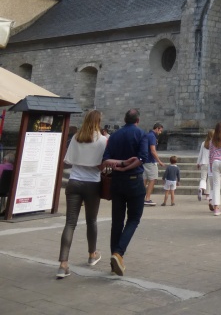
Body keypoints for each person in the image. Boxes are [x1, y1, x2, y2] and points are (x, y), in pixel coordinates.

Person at [56, 110, 107, 279]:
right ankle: (92, 254)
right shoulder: (102, 140)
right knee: (91, 220)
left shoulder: (76, 138)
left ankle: (63, 264)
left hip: (74, 181)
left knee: (70, 223)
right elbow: (102, 165)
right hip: (92, 183)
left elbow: (67, 161)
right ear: (99, 122)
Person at [101, 108, 149, 277]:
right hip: (134, 182)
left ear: (125, 119)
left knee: (117, 222)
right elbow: (141, 158)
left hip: (117, 183)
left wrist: (120, 166)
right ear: (138, 120)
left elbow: (105, 160)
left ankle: (114, 259)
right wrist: (127, 166)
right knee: (134, 219)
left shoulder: (114, 136)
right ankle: (118, 253)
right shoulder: (141, 134)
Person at [143, 122, 165, 205]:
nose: (160, 132)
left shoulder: (147, 135)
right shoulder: (152, 137)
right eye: (160, 130)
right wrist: (159, 161)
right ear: (157, 128)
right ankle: (147, 198)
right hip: (151, 161)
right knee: (153, 179)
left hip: (145, 161)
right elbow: (153, 150)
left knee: (144, 180)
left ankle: (140, 198)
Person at [196, 128, 214, 202]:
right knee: (209, 180)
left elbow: (200, 154)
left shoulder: (204, 143)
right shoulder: (214, 143)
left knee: (203, 178)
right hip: (211, 163)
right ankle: (207, 195)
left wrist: (198, 162)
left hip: (203, 163)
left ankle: (201, 188)